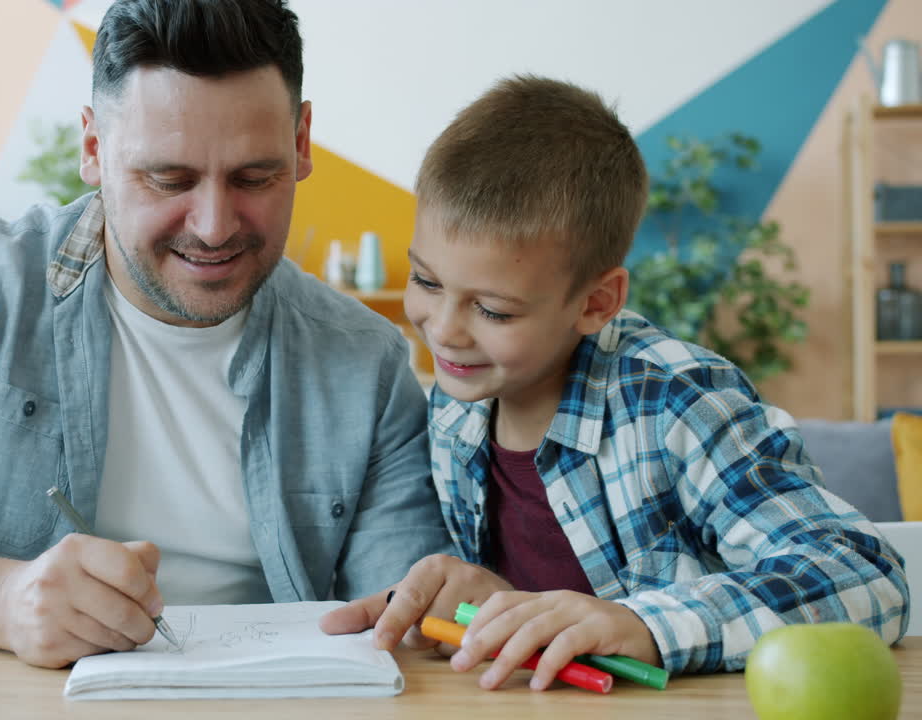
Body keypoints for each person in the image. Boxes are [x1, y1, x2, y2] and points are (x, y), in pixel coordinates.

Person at [0, 0, 451, 668]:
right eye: (167, 178)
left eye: (253, 177)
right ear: (93, 146)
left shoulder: (369, 363)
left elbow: (405, 620)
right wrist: (3, 602)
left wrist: (445, 606)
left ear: (299, 144)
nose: (213, 224)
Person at [320, 75, 909, 690]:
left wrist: (644, 625)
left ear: (597, 302)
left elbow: (865, 575)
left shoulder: (679, 402)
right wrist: (486, 602)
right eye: (428, 281)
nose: (442, 331)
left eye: (493, 310)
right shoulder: (456, 407)